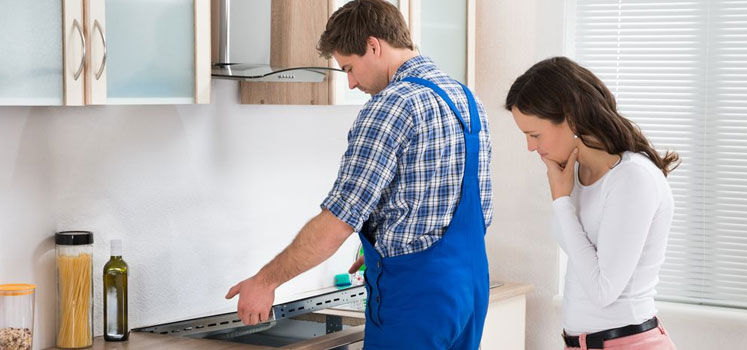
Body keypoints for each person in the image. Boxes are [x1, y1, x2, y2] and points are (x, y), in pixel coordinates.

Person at [225, 0, 493, 349]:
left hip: (416, 299)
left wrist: (265, 281)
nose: (350, 83)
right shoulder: (467, 99)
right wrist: (392, 242)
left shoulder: (390, 106)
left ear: (373, 46)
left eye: (349, 67)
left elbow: (338, 222)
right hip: (470, 290)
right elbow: (452, 201)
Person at [505, 56, 679, 350]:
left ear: (570, 118)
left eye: (535, 134)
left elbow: (603, 290)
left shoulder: (632, 177)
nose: (531, 147)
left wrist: (561, 201)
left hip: (628, 343)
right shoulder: (574, 175)